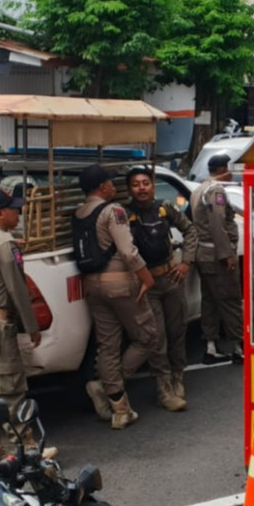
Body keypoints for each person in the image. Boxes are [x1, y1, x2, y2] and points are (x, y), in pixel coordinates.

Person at [0, 189, 58, 462]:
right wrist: (32, 326)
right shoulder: (6, 244)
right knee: (11, 385)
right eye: (14, 209)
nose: (18, 213)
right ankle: (27, 446)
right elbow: (17, 289)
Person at [74, 164, 172, 429]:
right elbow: (128, 252)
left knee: (108, 345)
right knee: (149, 336)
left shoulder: (80, 212)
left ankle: (120, 408)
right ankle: (107, 386)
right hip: (120, 285)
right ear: (101, 186)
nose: (113, 186)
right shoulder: (113, 211)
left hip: (92, 286)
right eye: (109, 182)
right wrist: (147, 278)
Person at [125, 167, 197, 402]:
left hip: (171, 279)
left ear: (153, 185)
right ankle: (163, 387)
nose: (141, 188)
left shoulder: (165, 208)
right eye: (136, 184)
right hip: (146, 285)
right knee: (157, 337)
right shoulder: (125, 215)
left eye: (145, 183)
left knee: (177, 331)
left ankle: (178, 378)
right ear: (130, 189)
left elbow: (190, 230)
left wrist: (186, 262)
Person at [191, 153, 242, 362]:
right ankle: (239, 347)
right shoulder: (216, 191)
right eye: (230, 169)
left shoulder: (199, 189)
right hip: (217, 256)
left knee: (210, 301)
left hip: (204, 254)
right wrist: (227, 255)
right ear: (222, 170)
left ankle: (210, 346)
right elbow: (218, 225)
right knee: (230, 300)